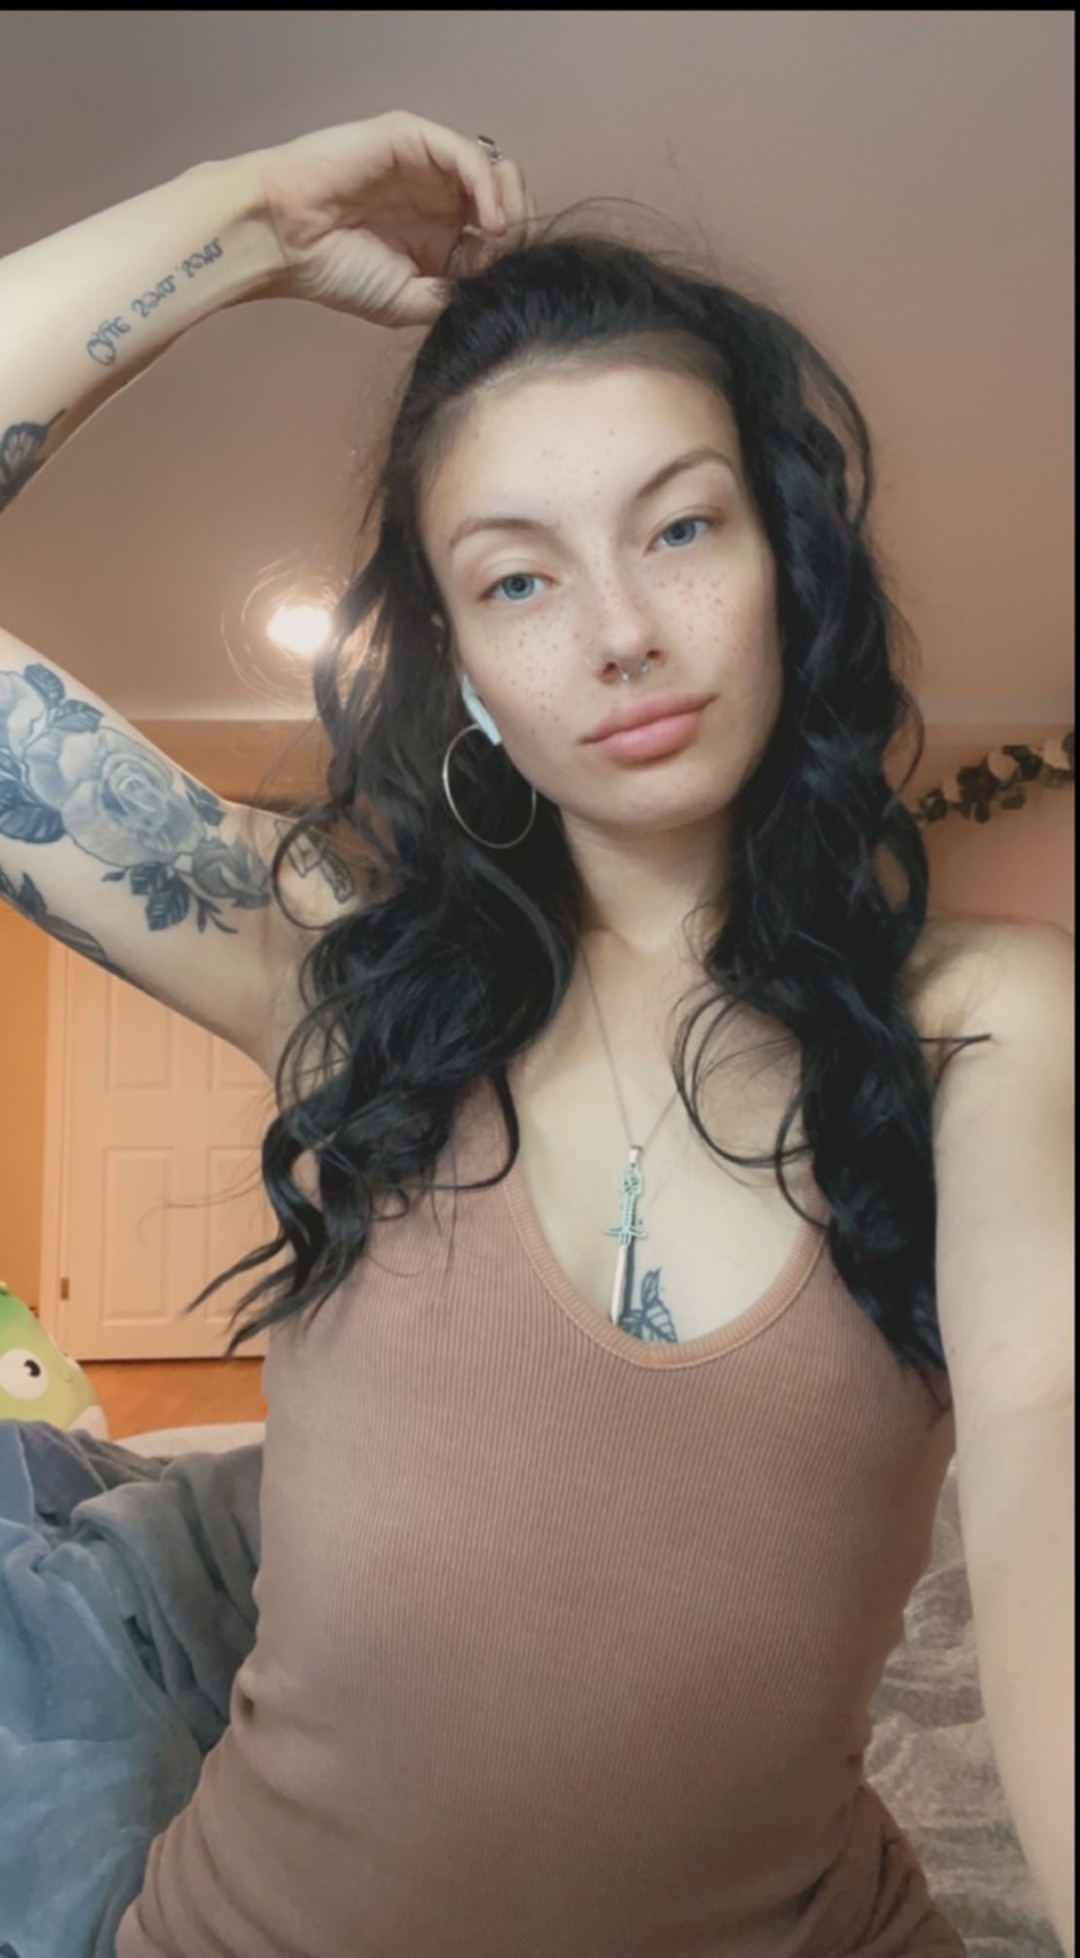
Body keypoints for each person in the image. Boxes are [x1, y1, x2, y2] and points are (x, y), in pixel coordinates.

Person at [0, 109, 989, 1954]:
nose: (621, 631)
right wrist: (239, 222)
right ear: (456, 663)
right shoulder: (334, 975)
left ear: (788, 563)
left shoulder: (975, 1029)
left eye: (680, 526)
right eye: (518, 575)